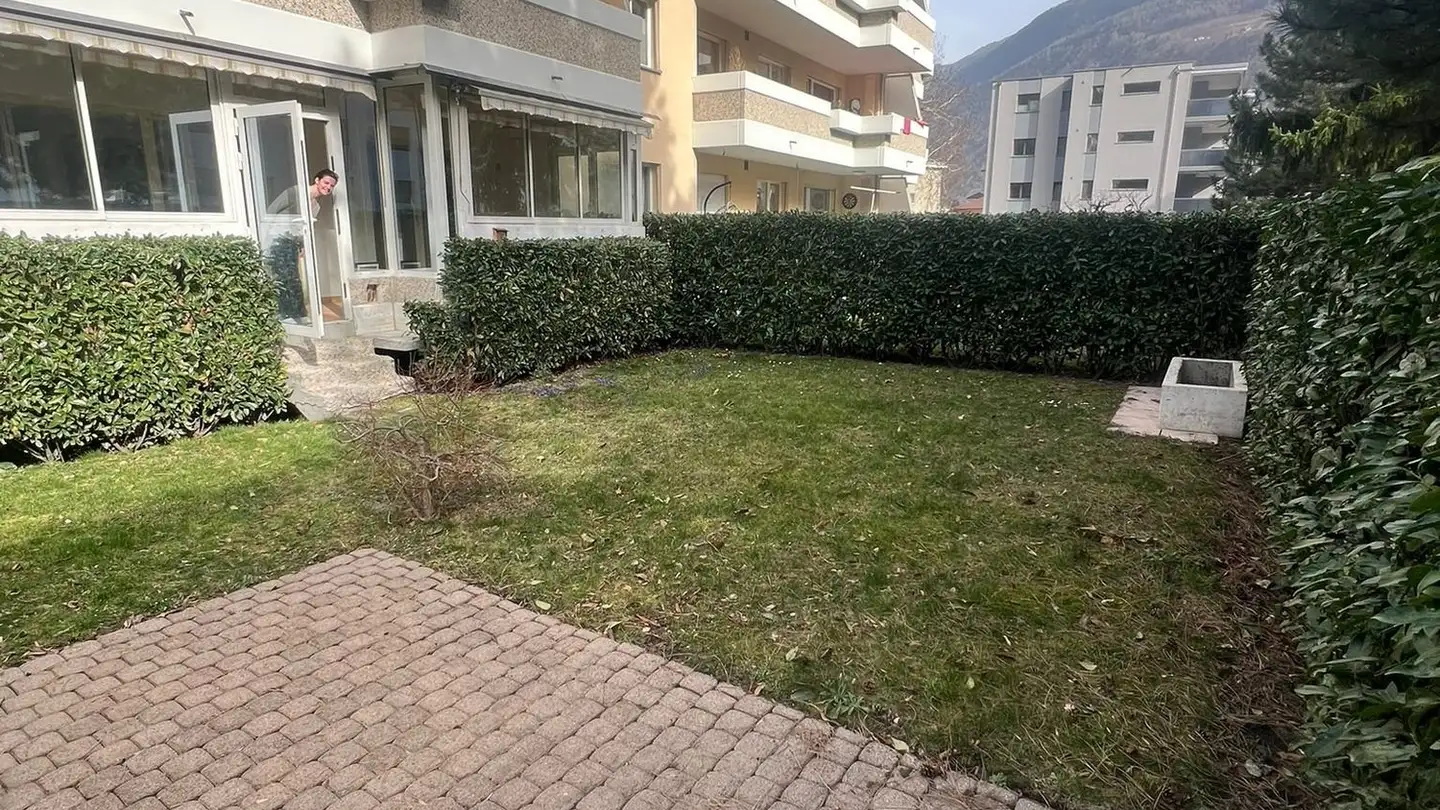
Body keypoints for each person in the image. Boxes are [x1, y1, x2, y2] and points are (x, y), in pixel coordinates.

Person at [267, 168, 337, 221]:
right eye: (326, 183)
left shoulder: (317, 207)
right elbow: (271, 211)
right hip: (276, 235)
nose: (328, 187)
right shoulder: (295, 192)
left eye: (332, 186)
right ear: (317, 180)